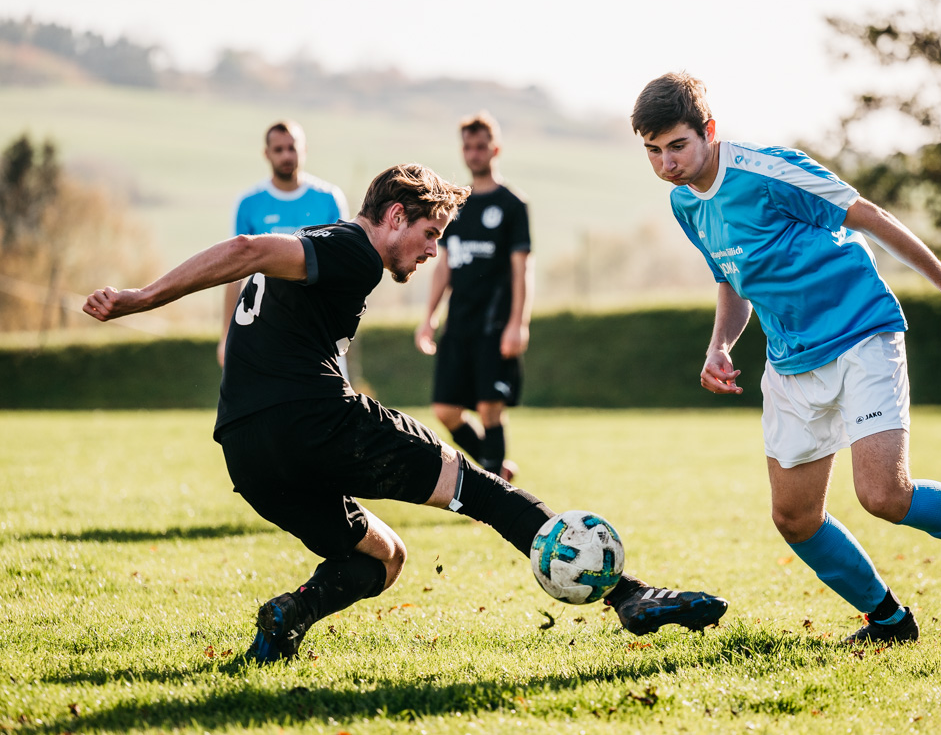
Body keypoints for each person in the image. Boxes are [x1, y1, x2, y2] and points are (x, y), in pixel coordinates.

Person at [83, 163, 726, 663]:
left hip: (246, 450)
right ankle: (631, 596)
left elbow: (260, 271)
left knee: (382, 558)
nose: (432, 252)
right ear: (395, 216)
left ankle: (287, 617)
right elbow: (248, 247)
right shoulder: (352, 248)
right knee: (480, 489)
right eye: (430, 235)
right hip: (316, 422)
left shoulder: (323, 245)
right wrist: (142, 298)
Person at [631, 72, 941, 644]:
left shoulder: (767, 170)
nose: (667, 163)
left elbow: (870, 217)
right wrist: (719, 345)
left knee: (884, 495)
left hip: (860, 334)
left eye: (677, 145)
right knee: (795, 518)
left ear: (708, 130)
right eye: (653, 151)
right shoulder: (685, 203)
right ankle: (889, 620)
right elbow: (732, 280)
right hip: (791, 362)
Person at [416, 112, 531, 483]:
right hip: (459, 322)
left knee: (489, 407)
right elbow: (444, 264)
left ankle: (496, 491)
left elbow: (521, 269)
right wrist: (429, 317)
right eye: (468, 147)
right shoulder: (456, 205)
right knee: (445, 410)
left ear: (495, 150)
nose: (474, 153)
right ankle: (496, 469)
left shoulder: (512, 205)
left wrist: (518, 324)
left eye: (481, 146)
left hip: (495, 324)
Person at [219, 120, 350, 381]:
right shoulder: (249, 203)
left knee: (329, 401)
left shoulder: (329, 198)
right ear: (267, 154)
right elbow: (234, 273)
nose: (286, 155)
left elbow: (343, 267)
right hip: (265, 326)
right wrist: (226, 335)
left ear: (304, 150)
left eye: (292, 148)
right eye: (278, 149)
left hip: (319, 327)